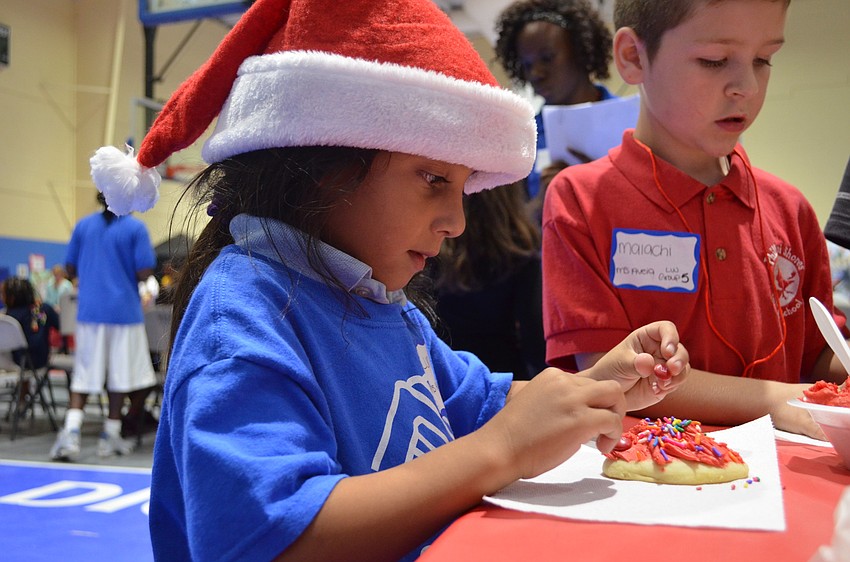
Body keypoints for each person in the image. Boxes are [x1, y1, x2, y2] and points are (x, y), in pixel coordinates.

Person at [89, 1, 690, 559]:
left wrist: (599, 384)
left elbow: (482, 403)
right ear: (325, 160)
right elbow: (270, 537)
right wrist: (500, 450)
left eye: (462, 188)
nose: (457, 220)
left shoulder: (380, 302)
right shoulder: (242, 315)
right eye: (434, 180)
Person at [541, 0, 843, 440]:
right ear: (633, 57)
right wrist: (779, 401)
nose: (746, 86)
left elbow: (819, 356)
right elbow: (613, 374)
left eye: (764, 60)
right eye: (714, 60)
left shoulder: (789, 207)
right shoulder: (580, 200)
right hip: (643, 483)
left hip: (784, 484)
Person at [49, 191, 158, 461]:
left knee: (83, 375)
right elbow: (144, 271)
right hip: (124, 313)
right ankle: (110, 436)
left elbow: (70, 269)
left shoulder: (83, 225)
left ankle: (71, 434)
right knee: (120, 377)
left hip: (89, 313)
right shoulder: (135, 227)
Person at [494, 0, 616, 219]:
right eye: (527, 64)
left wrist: (603, 187)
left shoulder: (632, 123)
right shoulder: (520, 138)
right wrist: (544, 202)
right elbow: (511, 236)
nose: (536, 74)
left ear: (580, 51)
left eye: (547, 59)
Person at [431, 182, 546, 380]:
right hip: (504, 380)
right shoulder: (520, 251)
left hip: (445, 376)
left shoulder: (431, 250)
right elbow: (535, 342)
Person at [1, 277, 60, 409]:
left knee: (21, 353)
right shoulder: (45, 308)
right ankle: (24, 399)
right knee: (26, 353)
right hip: (40, 361)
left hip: (14, 363)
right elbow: (61, 327)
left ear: (11, 297)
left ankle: (22, 400)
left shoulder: (7, 316)